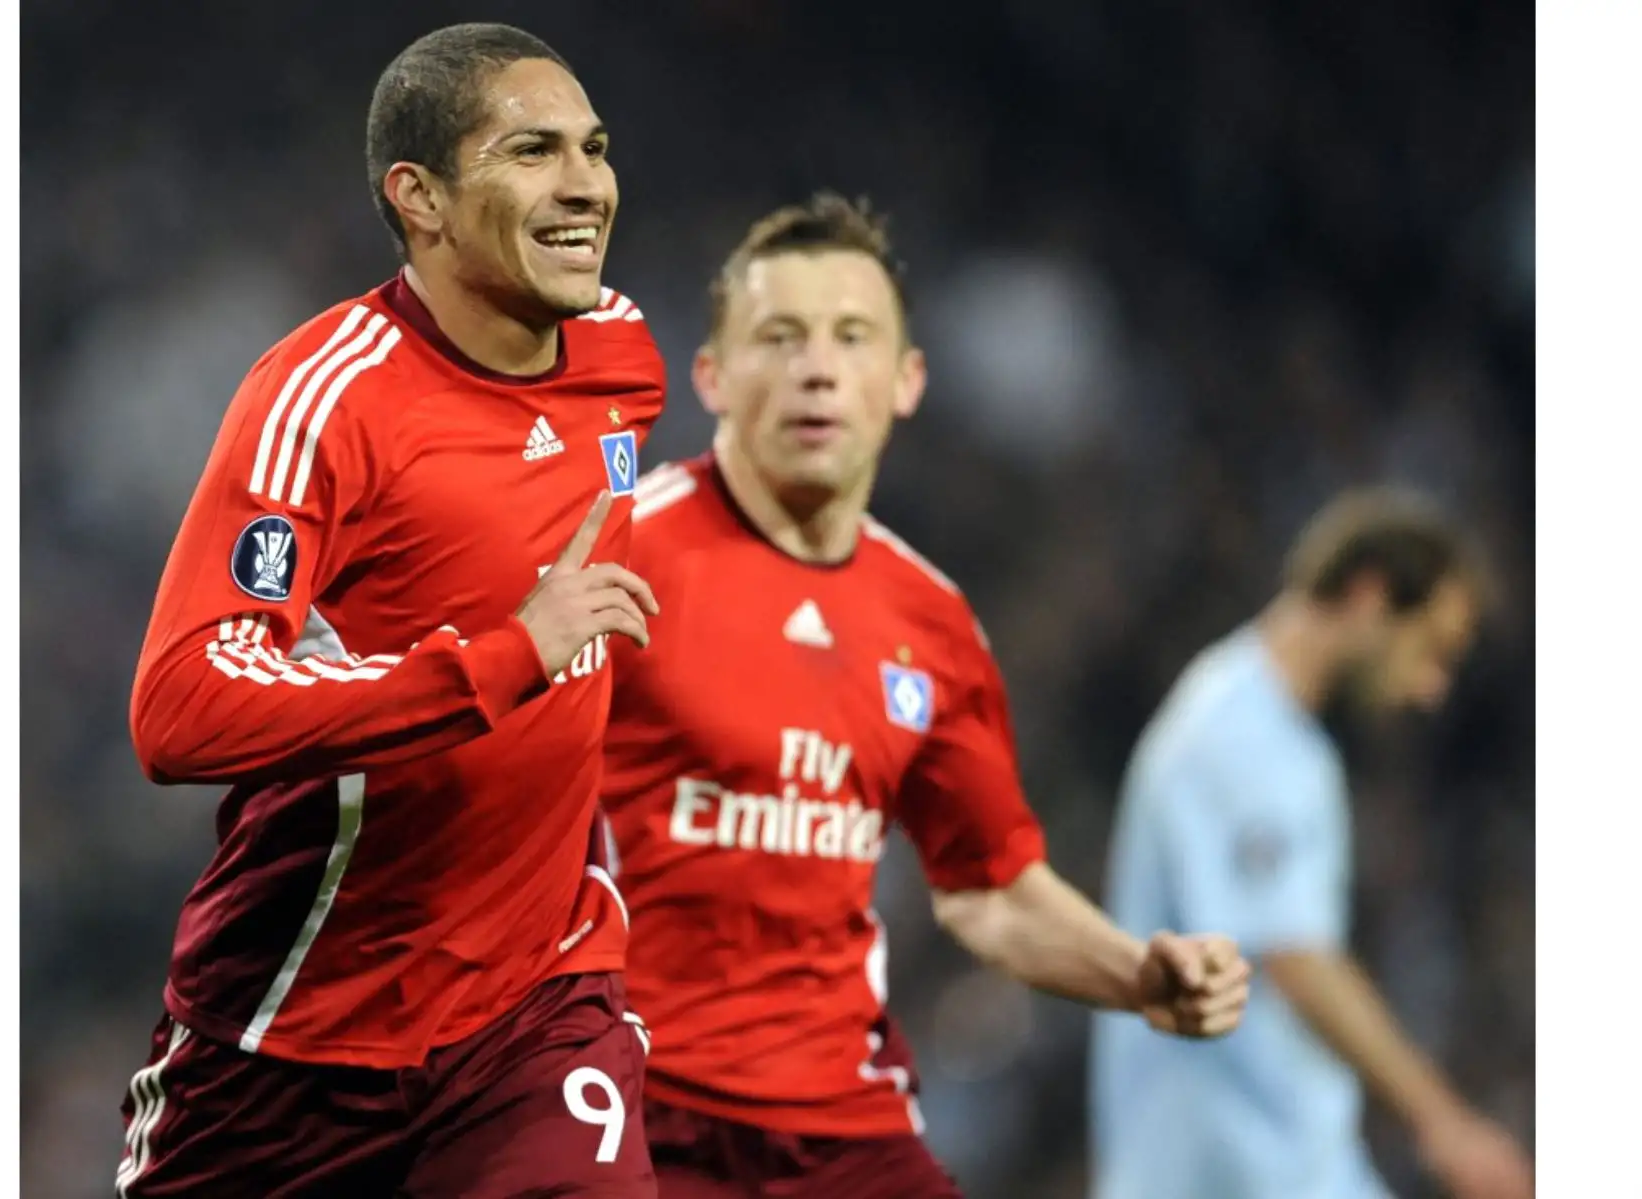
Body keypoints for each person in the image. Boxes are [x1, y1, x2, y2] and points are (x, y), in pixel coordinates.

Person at [597, 193, 1253, 1199]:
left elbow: (988, 887)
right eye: (780, 336)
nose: (818, 368)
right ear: (711, 375)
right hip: (627, 1109)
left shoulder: (929, 621)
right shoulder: (618, 560)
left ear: (905, 382)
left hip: (836, 1123)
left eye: (852, 338)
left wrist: (1136, 973)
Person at [114, 23, 665, 1198]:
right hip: (296, 1035)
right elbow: (181, 705)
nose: (586, 183)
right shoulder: (328, 399)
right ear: (418, 197)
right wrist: (505, 659)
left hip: (541, 1003)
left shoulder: (621, 353)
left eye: (595, 147)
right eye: (534, 151)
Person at [1089, 490, 1535, 1199]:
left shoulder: (1282, 739)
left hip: (1272, 1153)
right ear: (1368, 595)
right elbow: (1295, 957)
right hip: (1229, 1159)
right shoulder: (1236, 734)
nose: (1431, 687)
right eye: (1432, 649)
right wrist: (1444, 1120)